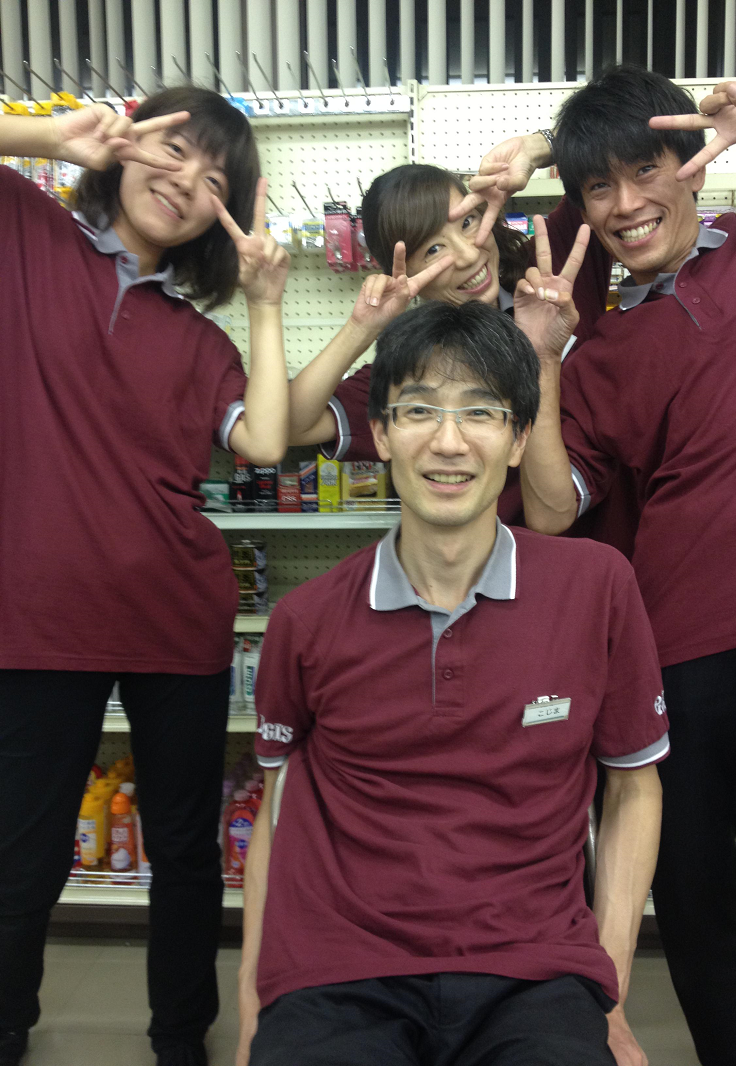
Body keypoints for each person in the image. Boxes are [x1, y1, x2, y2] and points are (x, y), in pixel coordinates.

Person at [466, 67, 736, 1066]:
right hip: (681, 639)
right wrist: (544, 358)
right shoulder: (602, 351)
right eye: (598, 188)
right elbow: (553, 507)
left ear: (692, 162)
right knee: (687, 882)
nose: (625, 205)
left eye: (645, 170)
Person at [237, 299, 669, 1066]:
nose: (448, 441)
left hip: (533, 971)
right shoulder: (306, 621)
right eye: (418, 411)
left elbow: (634, 787)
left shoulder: (597, 588)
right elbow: (278, 803)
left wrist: (609, 990)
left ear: (519, 437)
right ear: (380, 433)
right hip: (341, 971)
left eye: (480, 411)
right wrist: (251, 1008)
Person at [0, 87, 290, 1066]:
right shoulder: (27, 235)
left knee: (184, 852)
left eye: (215, 179)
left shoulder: (200, 341)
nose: (185, 182)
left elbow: (265, 440)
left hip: (177, 619)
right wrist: (48, 135)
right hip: (36, 619)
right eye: (174, 151)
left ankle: (179, 1037)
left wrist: (265, 303)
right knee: (21, 851)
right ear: (126, 143)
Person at [287, 161, 630, 535]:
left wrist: (536, 148)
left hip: (609, 547)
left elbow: (603, 150)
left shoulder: (552, 273)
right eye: (434, 249)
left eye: (468, 223)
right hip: (488, 561)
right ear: (405, 273)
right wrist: (361, 328)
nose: (468, 255)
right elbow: (291, 426)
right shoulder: (413, 370)